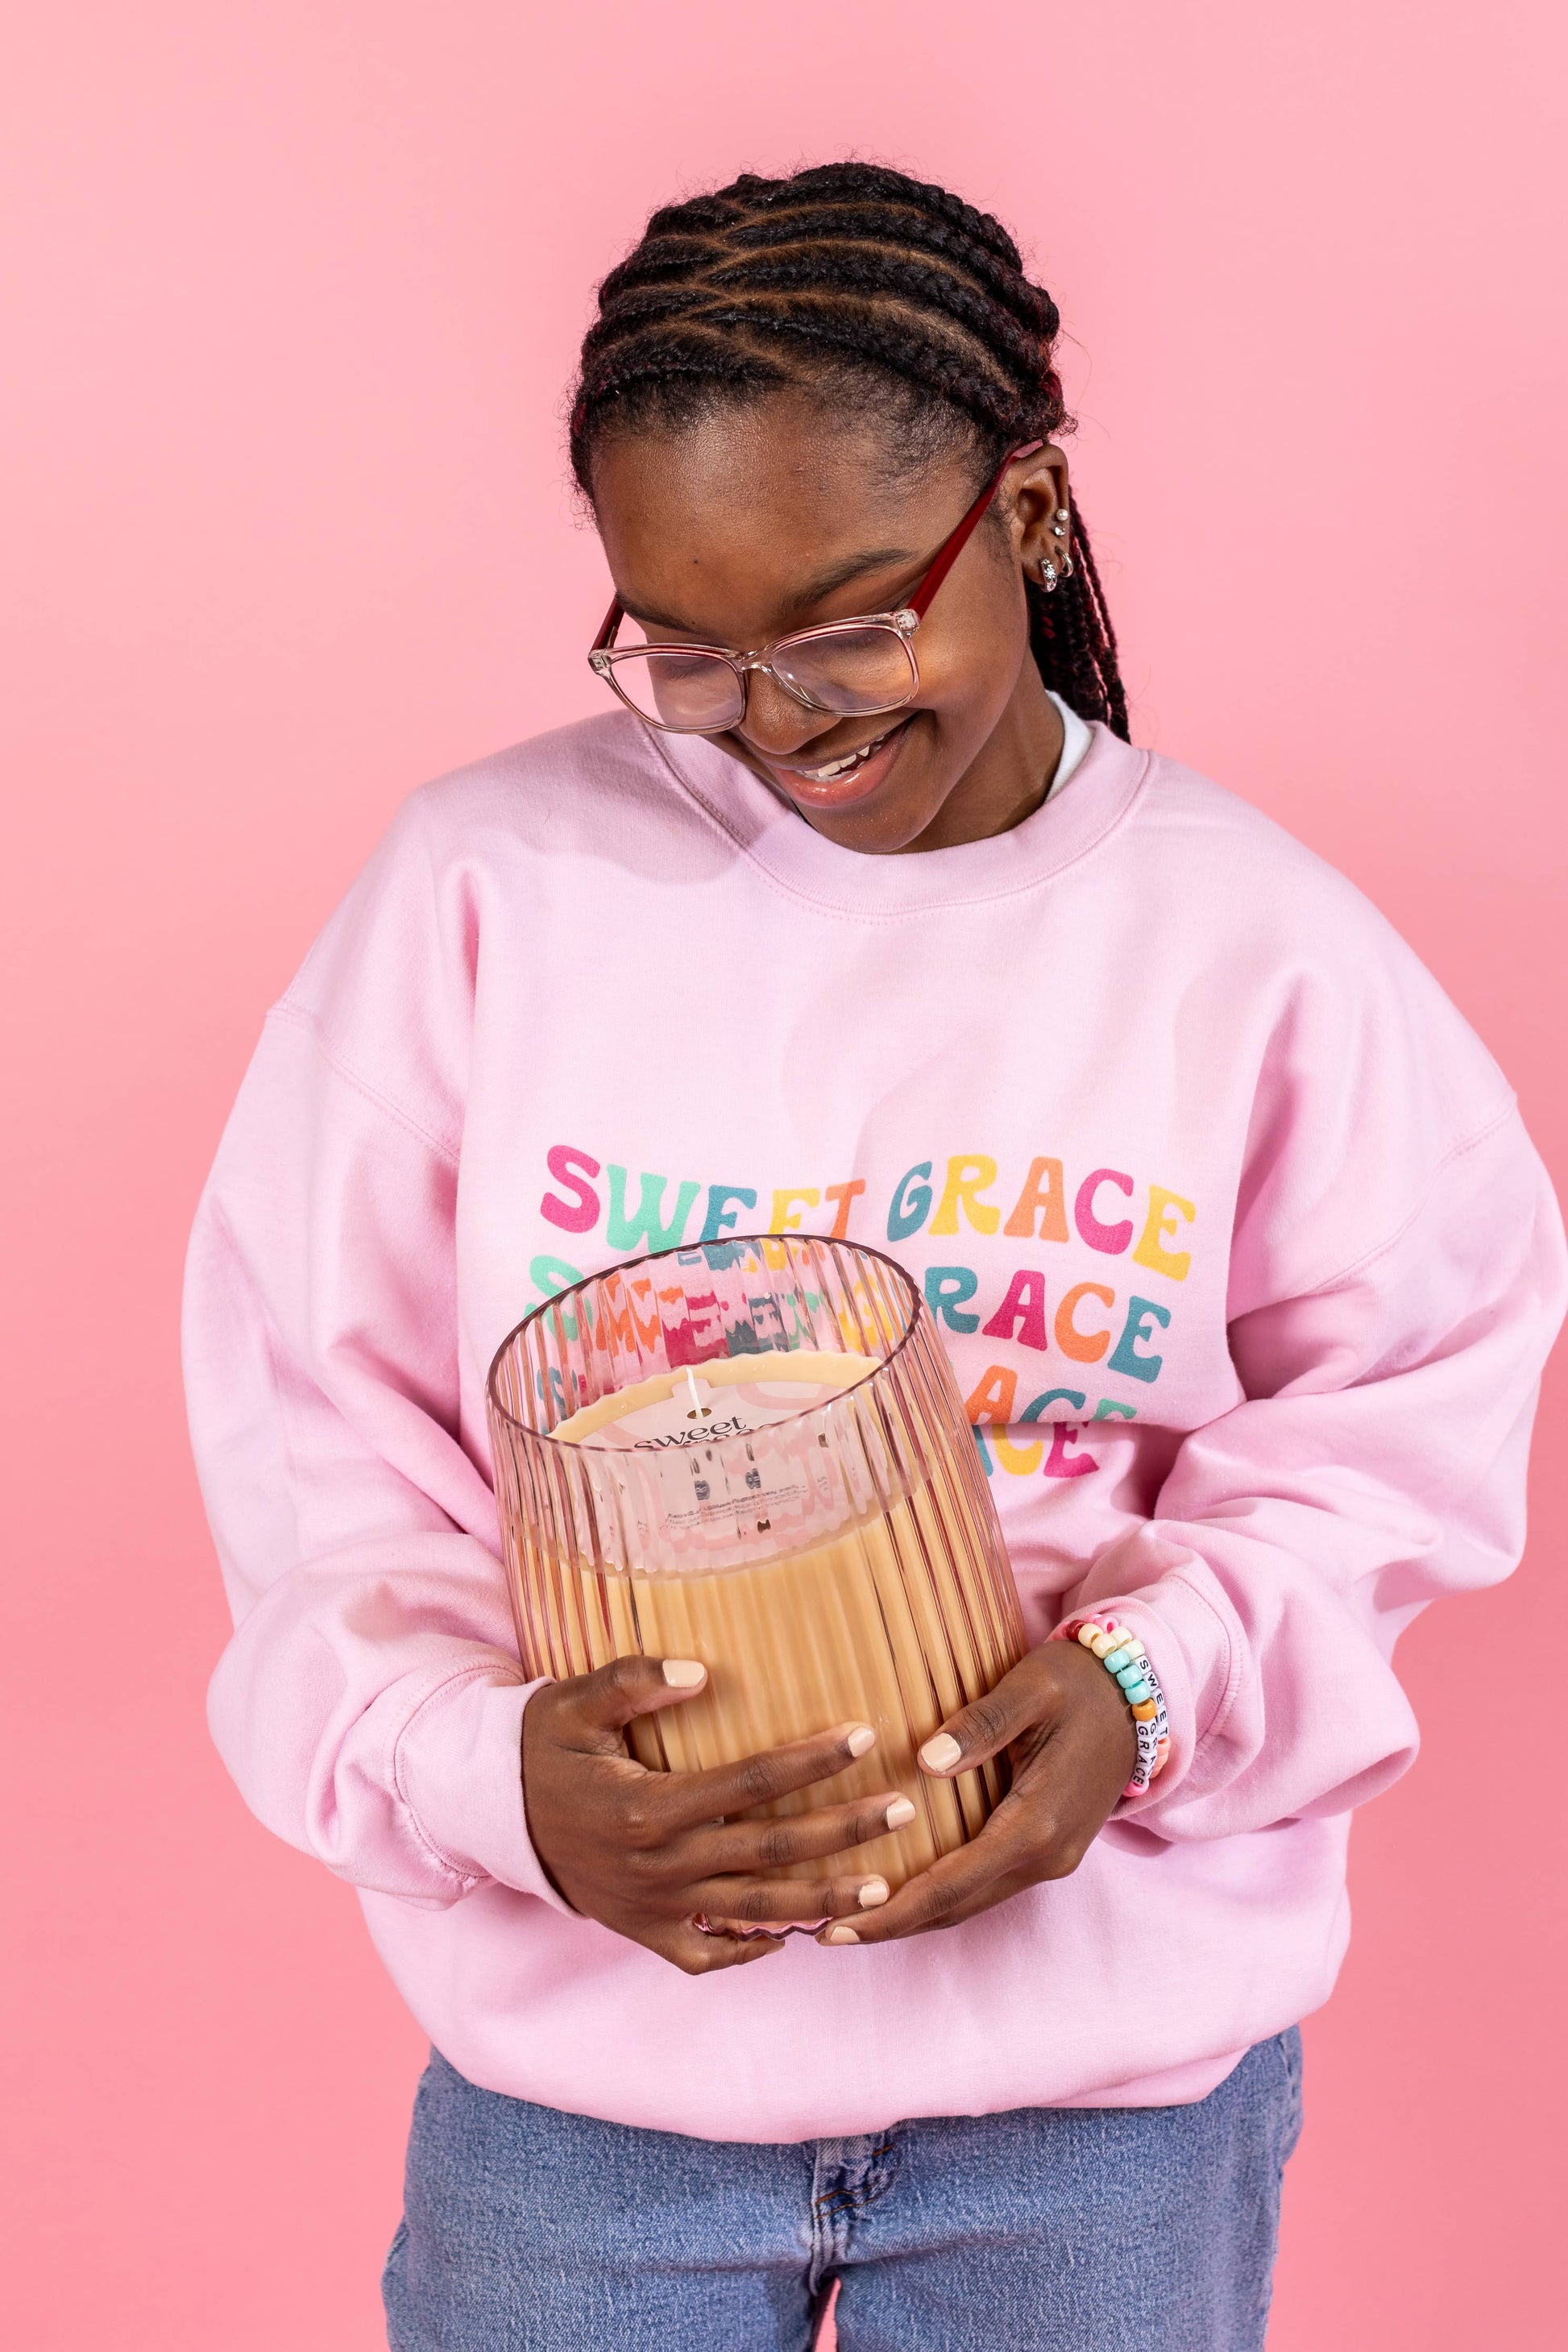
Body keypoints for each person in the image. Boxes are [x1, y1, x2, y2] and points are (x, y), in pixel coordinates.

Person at [183, 163, 1566, 2352]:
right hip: (589, 2105)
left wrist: (1144, 1692)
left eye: (847, 626)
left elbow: (1398, 1436)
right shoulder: (486, 898)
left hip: (1098, 2113)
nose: (784, 716)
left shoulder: (1257, 955)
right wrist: (482, 1778)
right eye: (689, 650)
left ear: (1027, 511)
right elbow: (318, 1439)